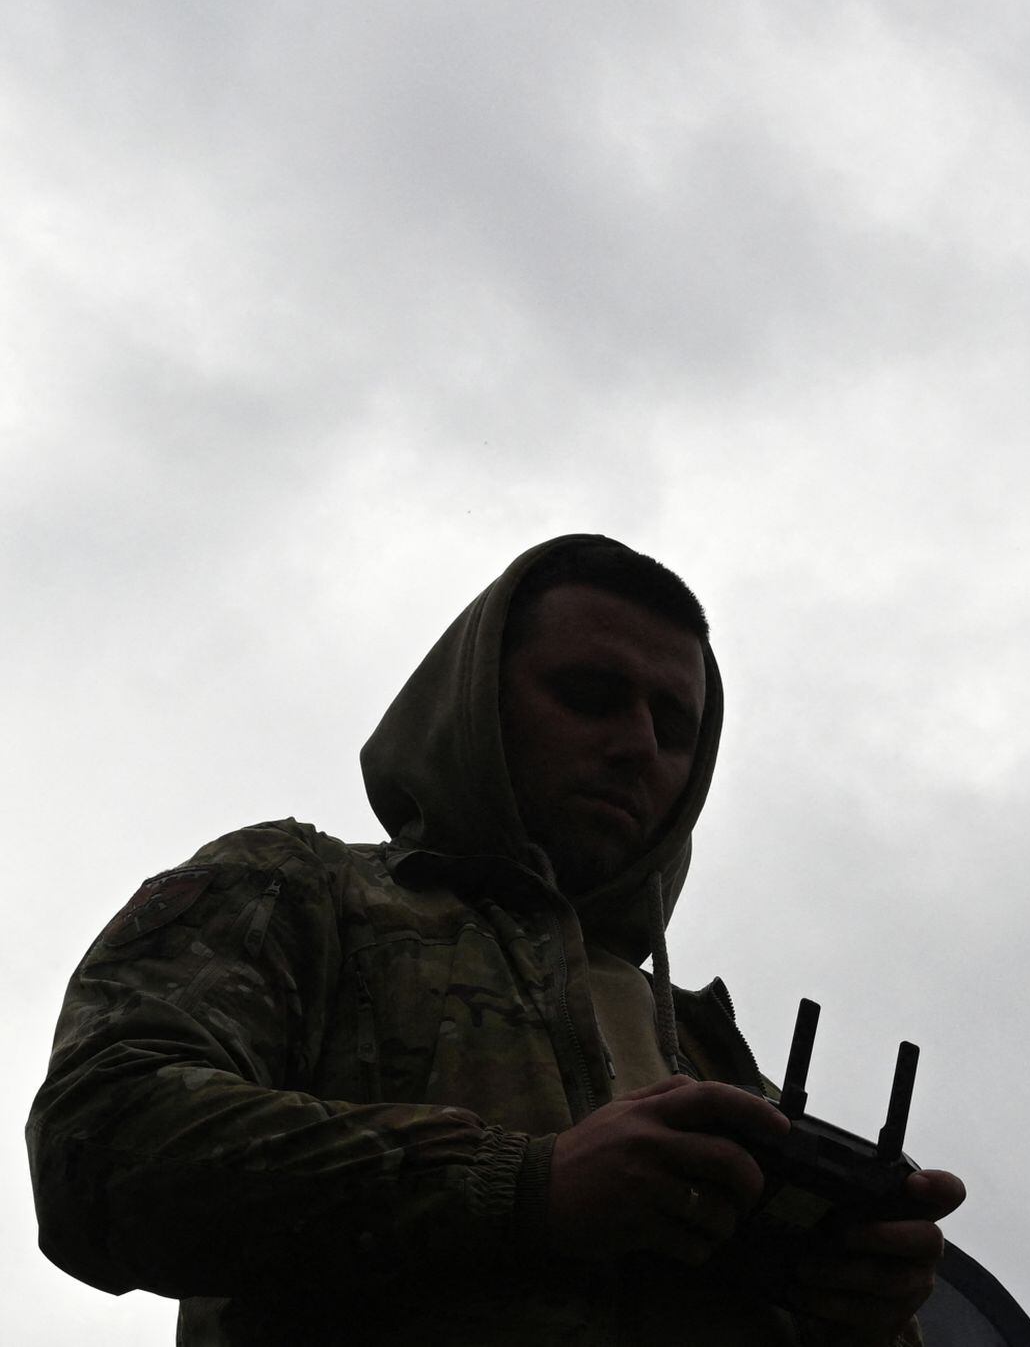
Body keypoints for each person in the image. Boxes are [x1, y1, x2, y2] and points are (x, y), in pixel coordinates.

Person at [27, 533, 964, 1345]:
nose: (638, 743)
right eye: (590, 694)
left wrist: (867, 1312)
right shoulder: (303, 890)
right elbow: (97, 1140)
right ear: (478, 700)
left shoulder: (720, 1064)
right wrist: (528, 1186)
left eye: (672, 723)